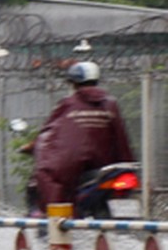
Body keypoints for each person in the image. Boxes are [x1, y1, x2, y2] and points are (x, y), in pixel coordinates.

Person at [29, 60, 134, 215]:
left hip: (74, 168)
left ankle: (54, 222)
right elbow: (120, 134)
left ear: (74, 84)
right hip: (106, 166)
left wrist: (36, 145)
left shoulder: (68, 103)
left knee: (47, 178)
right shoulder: (111, 104)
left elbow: (49, 131)